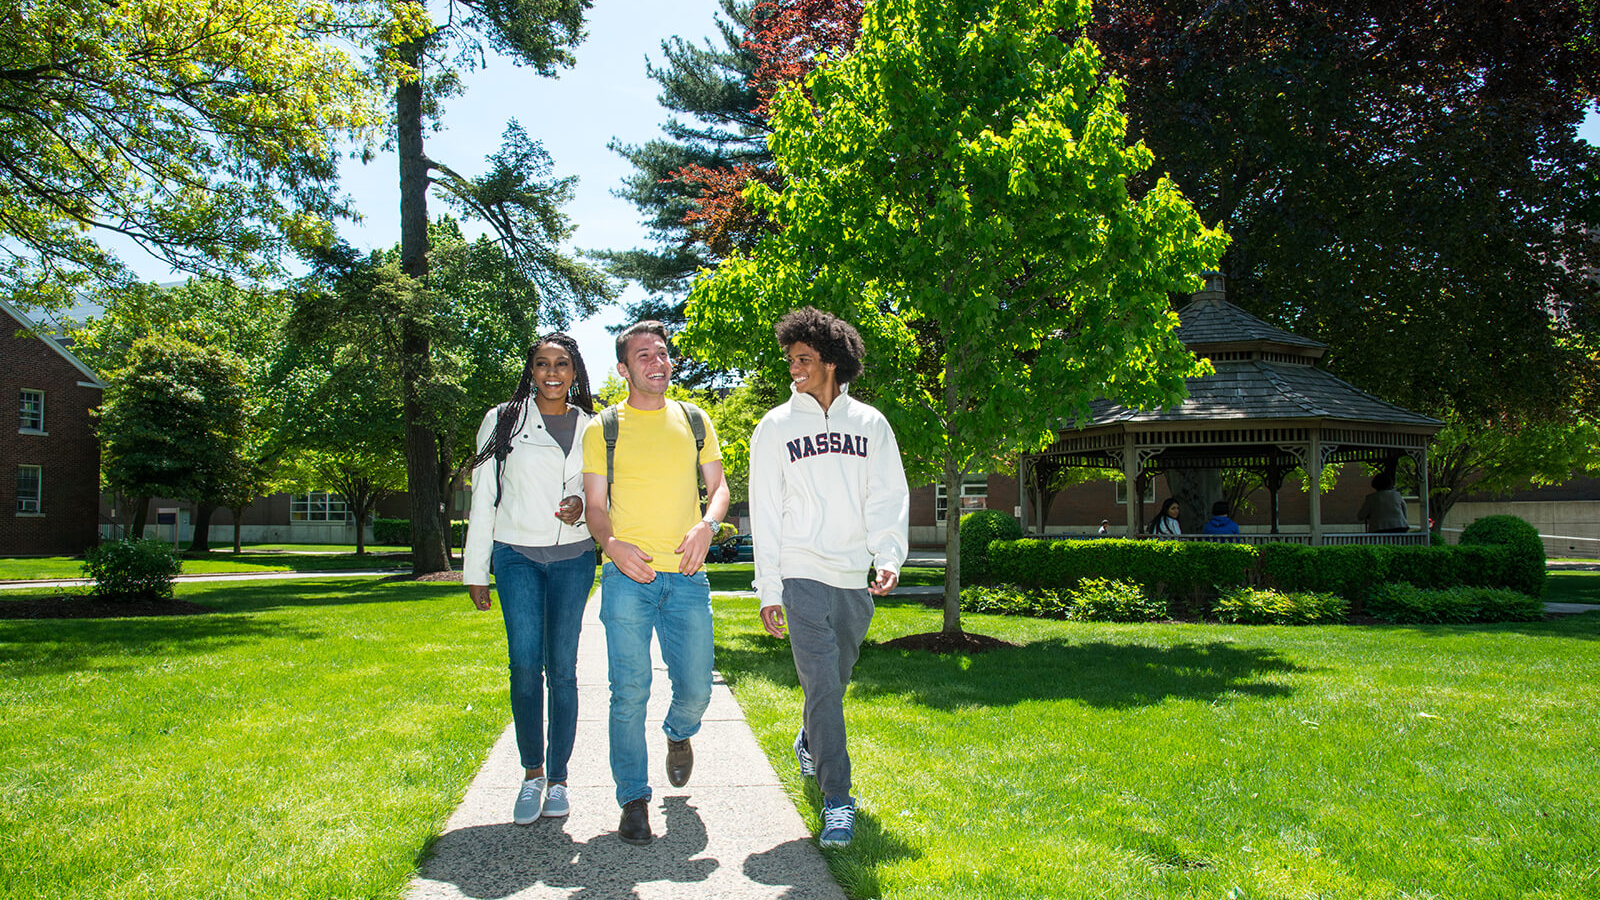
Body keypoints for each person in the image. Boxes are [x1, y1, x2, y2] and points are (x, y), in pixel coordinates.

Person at [750, 307, 909, 849]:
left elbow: (887, 496)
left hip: (851, 577)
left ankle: (808, 741)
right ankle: (838, 800)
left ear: (833, 362)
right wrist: (769, 588)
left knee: (833, 686)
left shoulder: (870, 424)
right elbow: (766, 512)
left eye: (804, 359)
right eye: (790, 358)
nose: (794, 367)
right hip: (799, 573)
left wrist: (887, 556)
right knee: (821, 686)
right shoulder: (774, 427)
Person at [581, 321, 730, 846]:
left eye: (662, 353)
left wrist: (707, 525)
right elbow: (596, 508)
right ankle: (633, 799)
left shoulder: (694, 419)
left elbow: (719, 488)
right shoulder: (603, 428)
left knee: (694, 688)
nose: (657, 362)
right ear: (623, 369)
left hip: (687, 577)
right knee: (629, 691)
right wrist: (612, 546)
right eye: (643, 355)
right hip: (627, 578)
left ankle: (678, 734)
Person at [463, 332, 597, 825]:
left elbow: (601, 492)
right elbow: (483, 498)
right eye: (542, 364)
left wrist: (581, 507)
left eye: (562, 364)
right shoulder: (503, 419)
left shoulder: (594, 427)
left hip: (574, 557)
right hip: (515, 555)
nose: (552, 373)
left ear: (575, 371)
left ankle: (559, 779)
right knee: (525, 666)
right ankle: (532, 774)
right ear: (531, 370)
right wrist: (476, 570)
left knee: (562, 670)